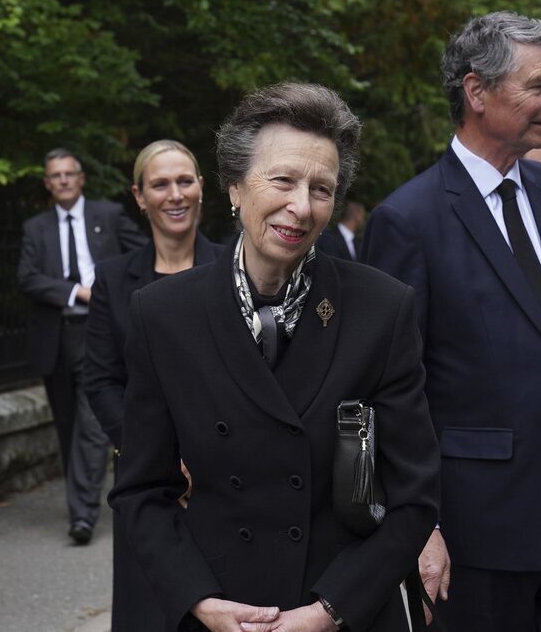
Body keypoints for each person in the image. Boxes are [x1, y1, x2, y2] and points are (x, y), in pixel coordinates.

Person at [109, 82, 440, 631]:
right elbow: (143, 491)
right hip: (219, 611)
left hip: (342, 608)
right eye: (283, 180)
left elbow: (414, 497)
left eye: (322, 189)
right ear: (235, 186)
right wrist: (200, 600)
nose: (301, 206)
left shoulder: (382, 310)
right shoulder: (163, 314)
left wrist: (328, 611)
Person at [362, 12, 541, 630]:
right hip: (476, 533)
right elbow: (392, 389)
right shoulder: (408, 220)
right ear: (477, 92)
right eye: (539, 85)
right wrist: (421, 525)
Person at [84, 140, 223, 630]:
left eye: (185, 180)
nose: (175, 194)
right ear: (139, 197)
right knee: (148, 610)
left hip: (224, 476)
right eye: (160, 184)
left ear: (202, 188)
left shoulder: (235, 269)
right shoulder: (114, 279)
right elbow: (100, 378)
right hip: (146, 477)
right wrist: (155, 458)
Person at [17, 148, 145, 545]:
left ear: (81, 177)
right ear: (47, 183)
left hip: (100, 335)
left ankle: (83, 515)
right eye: (55, 176)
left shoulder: (106, 216)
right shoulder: (35, 228)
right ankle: (83, 498)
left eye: (69, 174)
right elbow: (28, 278)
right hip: (58, 336)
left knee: (92, 426)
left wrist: (112, 294)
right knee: (68, 424)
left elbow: (144, 251)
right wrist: (76, 292)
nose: (63, 181)